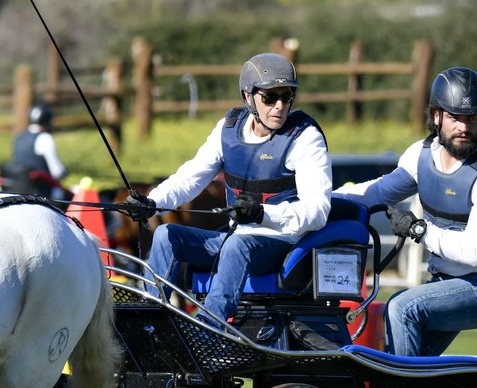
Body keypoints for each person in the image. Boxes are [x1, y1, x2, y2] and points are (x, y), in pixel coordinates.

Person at [126, 52, 332, 322]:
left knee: (238, 245)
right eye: (270, 97)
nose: (280, 106)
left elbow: (317, 211)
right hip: (236, 238)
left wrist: (262, 214)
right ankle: (152, 324)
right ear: (248, 96)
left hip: (282, 244)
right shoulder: (228, 128)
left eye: (287, 96)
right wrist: (152, 203)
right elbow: (192, 176)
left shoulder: (305, 138)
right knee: (166, 234)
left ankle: (209, 330)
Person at [333, 66, 477, 357]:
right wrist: (320, 199)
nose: (463, 126)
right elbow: (376, 193)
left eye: (471, 118)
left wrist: (418, 229)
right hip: (443, 283)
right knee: (419, 366)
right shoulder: (421, 156)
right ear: (436, 116)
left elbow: (475, 252)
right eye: (454, 117)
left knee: (402, 307)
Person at [2, 103, 68, 199]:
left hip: (17, 190)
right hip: (41, 192)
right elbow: (57, 172)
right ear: (47, 120)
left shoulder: (18, 137)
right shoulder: (45, 138)